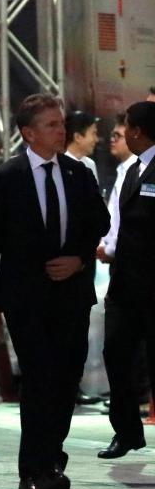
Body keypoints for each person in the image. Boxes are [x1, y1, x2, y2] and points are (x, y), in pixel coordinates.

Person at [0, 94, 109, 489]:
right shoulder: (6, 178)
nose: (60, 130)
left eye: (61, 123)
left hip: (70, 295)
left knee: (66, 379)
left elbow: (98, 222)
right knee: (39, 379)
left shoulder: (78, 173)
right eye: (51, 124)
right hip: (25, 299)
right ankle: (33, 471)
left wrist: (78, 259)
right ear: (28, 133)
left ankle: (51, 457)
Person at [98, 101, 155, 460]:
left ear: (135, 131)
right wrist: (109, 246)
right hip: (125, 283)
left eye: (124, 129)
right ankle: (127, 431)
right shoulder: (129, 169)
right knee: (116, 354)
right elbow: (117, 221)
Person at [97, 113, 137, 263]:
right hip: (115, 254)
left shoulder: (139, 172)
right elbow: (113, 215)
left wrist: (110, 250)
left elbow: (129, 220)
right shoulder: (122, 169)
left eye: (117, 136)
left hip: (128, 257)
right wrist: (104, 244)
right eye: (112, 135)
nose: (112, 140)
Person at [65, 110, 100, 182]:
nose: (96, 139)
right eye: (93, 133)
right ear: (77, 137)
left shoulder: (90, 164)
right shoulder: (59, 165)